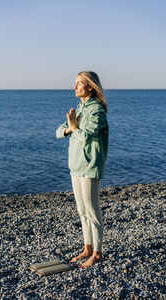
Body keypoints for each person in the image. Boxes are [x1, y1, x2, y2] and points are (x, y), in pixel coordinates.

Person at [56, 71, 109, 268]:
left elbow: (87, 135)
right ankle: (87, 248)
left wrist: (74, 128)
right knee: (82, 211)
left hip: (89, 166)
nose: (75, 86)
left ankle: (97, 253)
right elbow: (59, 132)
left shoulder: (96, 110)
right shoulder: (80, 108)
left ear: (90, 87)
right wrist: (71, 127)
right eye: (75, 83)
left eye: (79, 83)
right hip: (75, 166)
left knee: (92, 211)